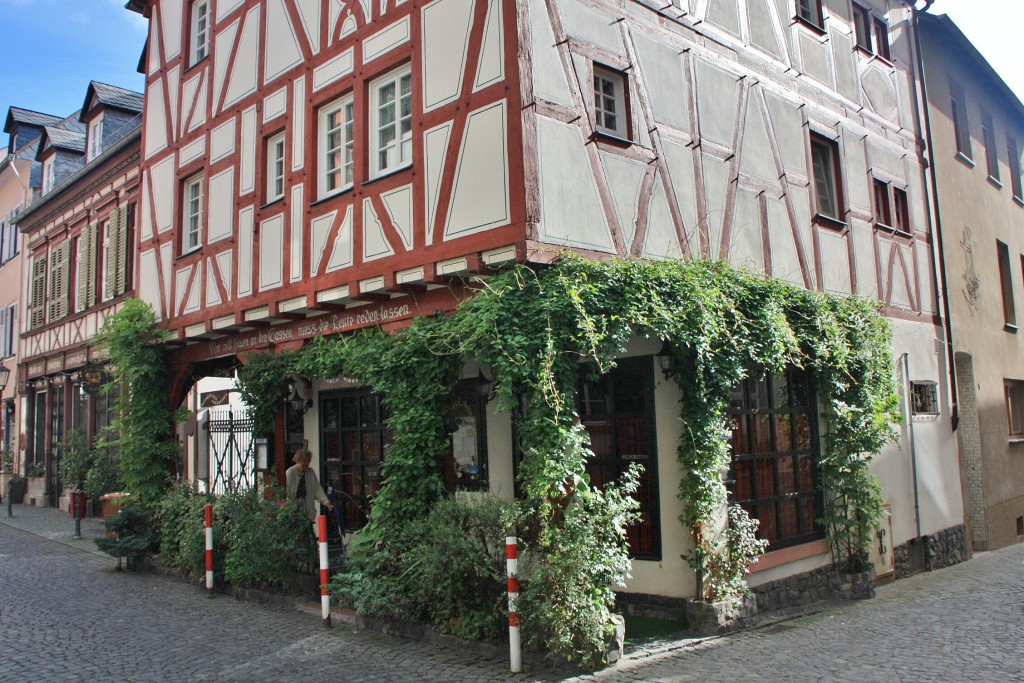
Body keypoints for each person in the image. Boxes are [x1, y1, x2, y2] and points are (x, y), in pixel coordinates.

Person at [285, 449, 333, 529]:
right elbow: (286, 493)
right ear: (298, 460)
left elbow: (317, 489)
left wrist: (326, 502)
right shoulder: (290, 473)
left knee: (308, 532)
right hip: (293, 512)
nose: (306, 463)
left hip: (308, 512)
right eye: (304, 461)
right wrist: (288, 508)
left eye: (308, 461)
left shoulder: (310, 472)